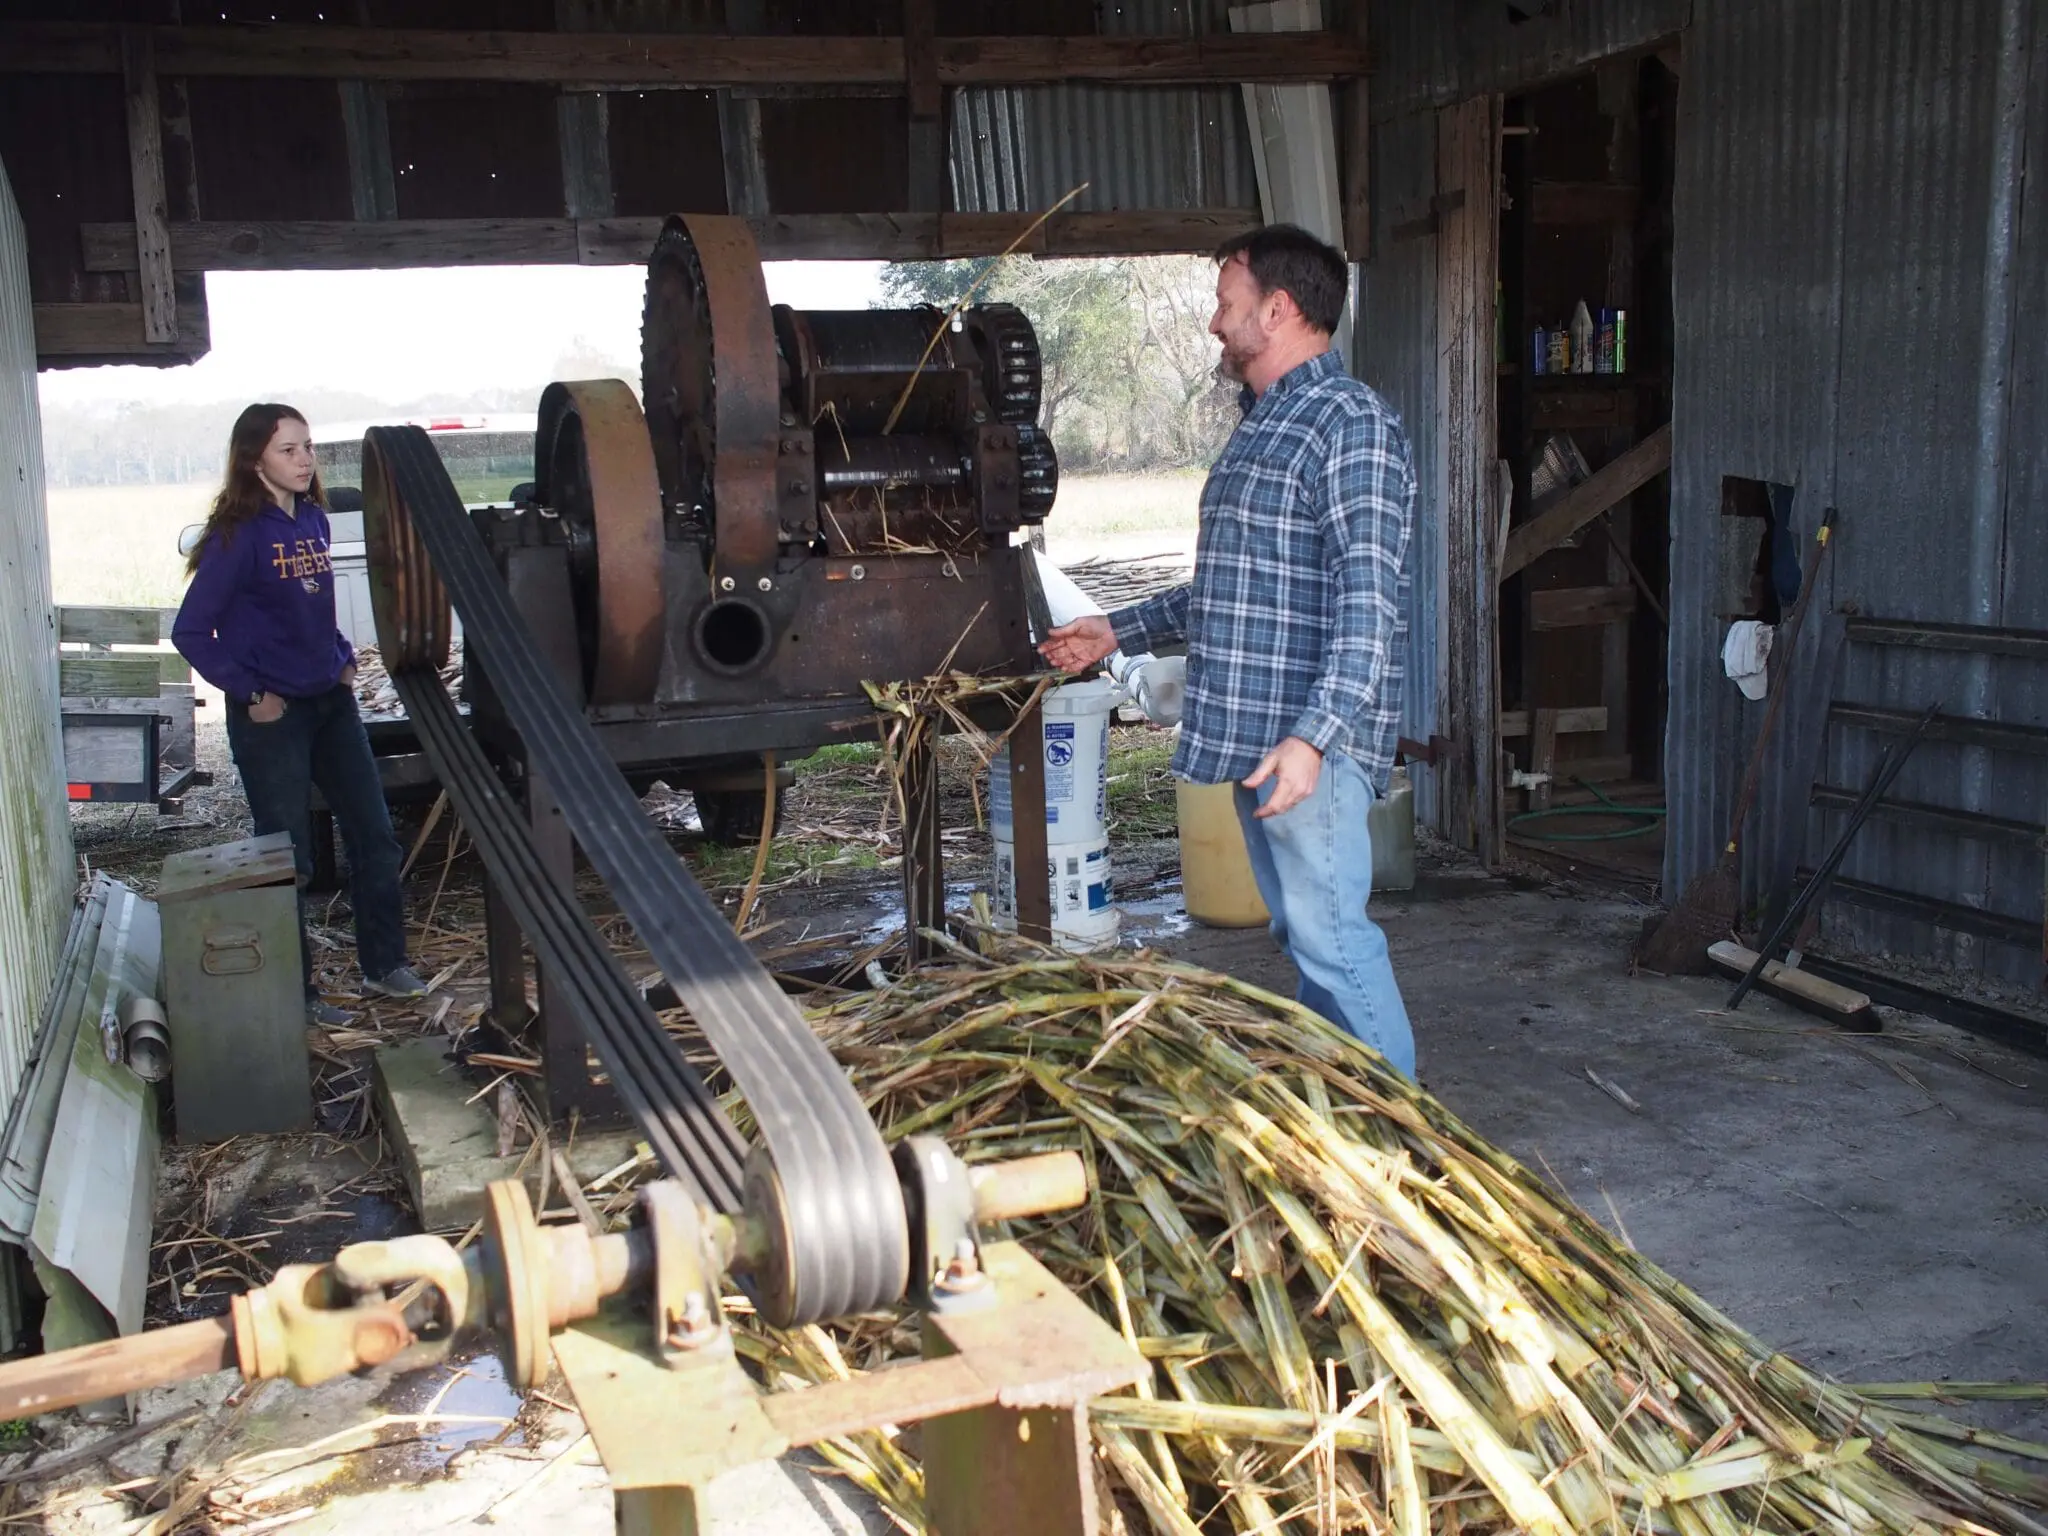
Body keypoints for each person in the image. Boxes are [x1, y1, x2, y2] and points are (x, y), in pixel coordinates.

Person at [1040, 225, 1418, 1077]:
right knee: (1303, 936)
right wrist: (1117, 629)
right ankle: (1349, 1102)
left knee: (1334, 942)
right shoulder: (1268, 423)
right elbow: (1232, 587)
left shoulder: (1348, 423)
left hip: (1306, 749)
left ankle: (1404, 1127)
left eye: (1226, 303)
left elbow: (1370, 608)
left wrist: (1312, 739)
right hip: (1263, 742)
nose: (1214, 322)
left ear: (1277, 310)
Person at [173, 404, 427, 1025]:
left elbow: (313, 610)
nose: (305, 459)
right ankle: (299, 995)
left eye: (308, 447)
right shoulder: (236, 536)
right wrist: (250, 693)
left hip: (331, 704)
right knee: (290, 860)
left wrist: (343, 659)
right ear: (253, 460)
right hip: (274, 715)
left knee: (375, 836)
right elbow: (192, 631)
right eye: (288, 450)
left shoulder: (313, 521)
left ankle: (385, 966)